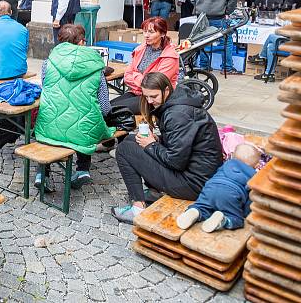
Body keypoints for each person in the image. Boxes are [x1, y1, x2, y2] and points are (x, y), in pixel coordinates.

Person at [112, 72, 223, 224]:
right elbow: (183, 143)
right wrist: (159, 140)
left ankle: (138, 209)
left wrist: (151, 145)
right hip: (198, 175)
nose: (150, 101)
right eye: (146, 97)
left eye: (154, 96)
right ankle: (153, 193)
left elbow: (176, 161)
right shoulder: (180, 103)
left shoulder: (178, 114)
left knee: (125, 150)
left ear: (166, 90)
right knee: (132, 140)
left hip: (195, 184)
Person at [35, 24, 113, 189]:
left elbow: (47, 90)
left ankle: (43, 174)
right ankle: (83, 170)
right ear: (82, 43)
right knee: (87, 120)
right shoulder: (96, 67)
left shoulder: (48, 63)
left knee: (50, 124)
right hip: (83, 132)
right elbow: (105, 106)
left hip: (49, 127)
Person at [176, 143, 261, 232]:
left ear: (232, 157)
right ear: (256, 166)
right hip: (230, 195)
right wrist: (246, 213)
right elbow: (250, 200)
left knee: (203, 206)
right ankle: (223, 220)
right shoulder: (253, 177)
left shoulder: (226, 165)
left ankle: (196, 211)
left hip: (210, 187)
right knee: (236, 218)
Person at [111, 16, 180, 114]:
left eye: (151, 32)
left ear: (163, 34)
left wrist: (136, 75)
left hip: (155, 98)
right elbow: (127, 77)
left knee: (113, 111)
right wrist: (142, 79)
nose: (146, 35)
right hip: (136, 92)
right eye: (145, 31)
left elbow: (154, 85)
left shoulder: (169, 56)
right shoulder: (141, 49)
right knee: (105, 108)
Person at [192, 0, 238, 73]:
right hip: (219, 16)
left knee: (203, 42)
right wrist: (228, 11)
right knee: (226, 41)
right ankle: (227, 68)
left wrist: (200, 7)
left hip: (201, 17)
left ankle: (204, 67)